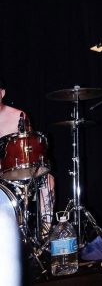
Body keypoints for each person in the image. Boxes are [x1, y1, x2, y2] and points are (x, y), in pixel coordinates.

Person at [0, 79, 55, 240]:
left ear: (2, 93)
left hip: (14, 172)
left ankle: (44, 234)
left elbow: (28, 149)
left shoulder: (19, 116)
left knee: (48, 180)